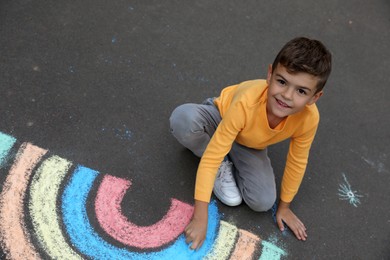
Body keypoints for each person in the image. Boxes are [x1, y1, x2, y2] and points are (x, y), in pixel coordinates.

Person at [169, 37, 332, 250]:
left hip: (249, 143)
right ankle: (222, 162)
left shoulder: (309, 119)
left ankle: (230, 155)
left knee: (263, 202)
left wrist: (284, 207)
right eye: (281, 82)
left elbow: (297, 161)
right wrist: (200, 218)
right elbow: (210, 158)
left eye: (301, 91)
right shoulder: (246, 102)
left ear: (314, 97)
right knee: (184, 120)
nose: (286, 95)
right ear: (270, 74)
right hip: (220, 119)